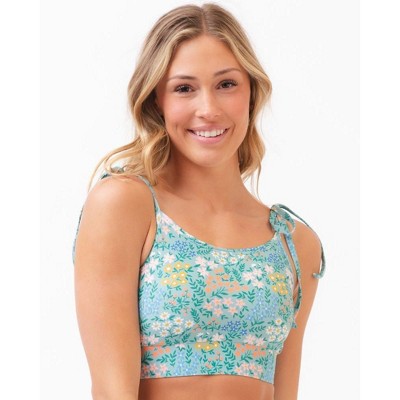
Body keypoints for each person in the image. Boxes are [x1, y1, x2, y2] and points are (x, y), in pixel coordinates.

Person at [72, 3, 326, 400]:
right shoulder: (125, 206)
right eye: (184, 88)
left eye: (226, 84)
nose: (208, 109)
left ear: (251, 92)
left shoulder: (295, 244)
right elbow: (110, 391)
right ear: (156, 100)